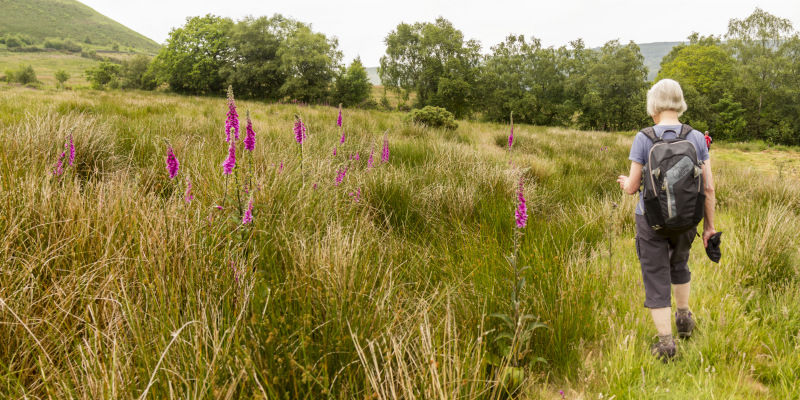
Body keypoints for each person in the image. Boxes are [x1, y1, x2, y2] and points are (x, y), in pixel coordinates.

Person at [616, 79, 716, 361]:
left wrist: (625, 183)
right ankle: (684, 319)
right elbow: (708, 187)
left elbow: (634, 187)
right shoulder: (696, 136)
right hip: (687, 219)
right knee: (680, 264)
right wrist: (709, 227)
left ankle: (665, 344)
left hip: (651, 220)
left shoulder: (644, 138)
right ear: (680, 101)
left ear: (654, 104)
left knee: (656, 275)